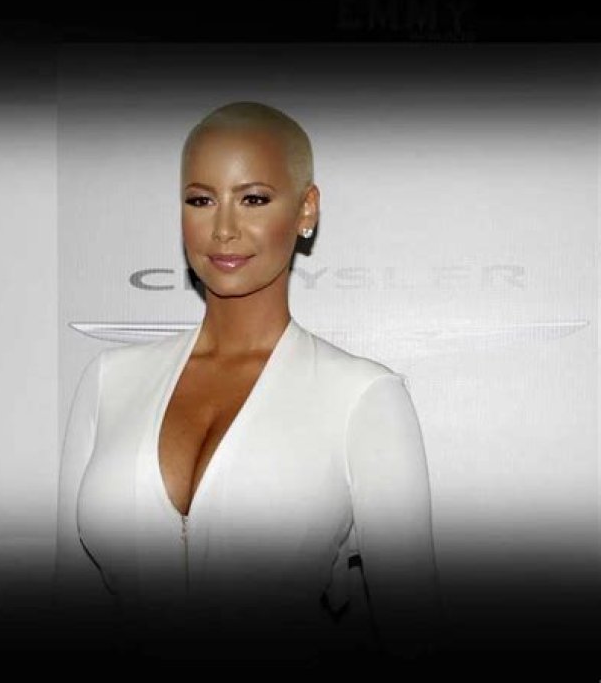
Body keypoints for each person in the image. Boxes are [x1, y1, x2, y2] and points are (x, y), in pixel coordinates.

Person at [53, 100, 447, 664]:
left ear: (306, 209)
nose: (223, 229)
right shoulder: (107, 381)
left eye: (254, 199)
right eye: (200, 200)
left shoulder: (362, 398)